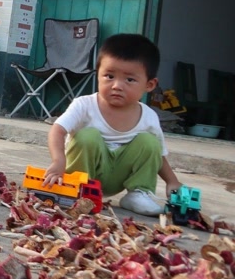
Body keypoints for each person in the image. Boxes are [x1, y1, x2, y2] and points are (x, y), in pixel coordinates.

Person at [44, 33, 179, 216]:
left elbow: (159, 155)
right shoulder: (84, 105)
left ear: (149, 84)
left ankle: (139, 193)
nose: (117, 85)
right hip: (82, 176)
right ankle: (80, 191)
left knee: (150, 142)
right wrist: (59, 161)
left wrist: (172, 181)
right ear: (97, 74)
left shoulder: (149, 117)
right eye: (109, 76)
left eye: (129, 79)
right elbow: (57, 130)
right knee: (87, 136)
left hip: (119, 176)